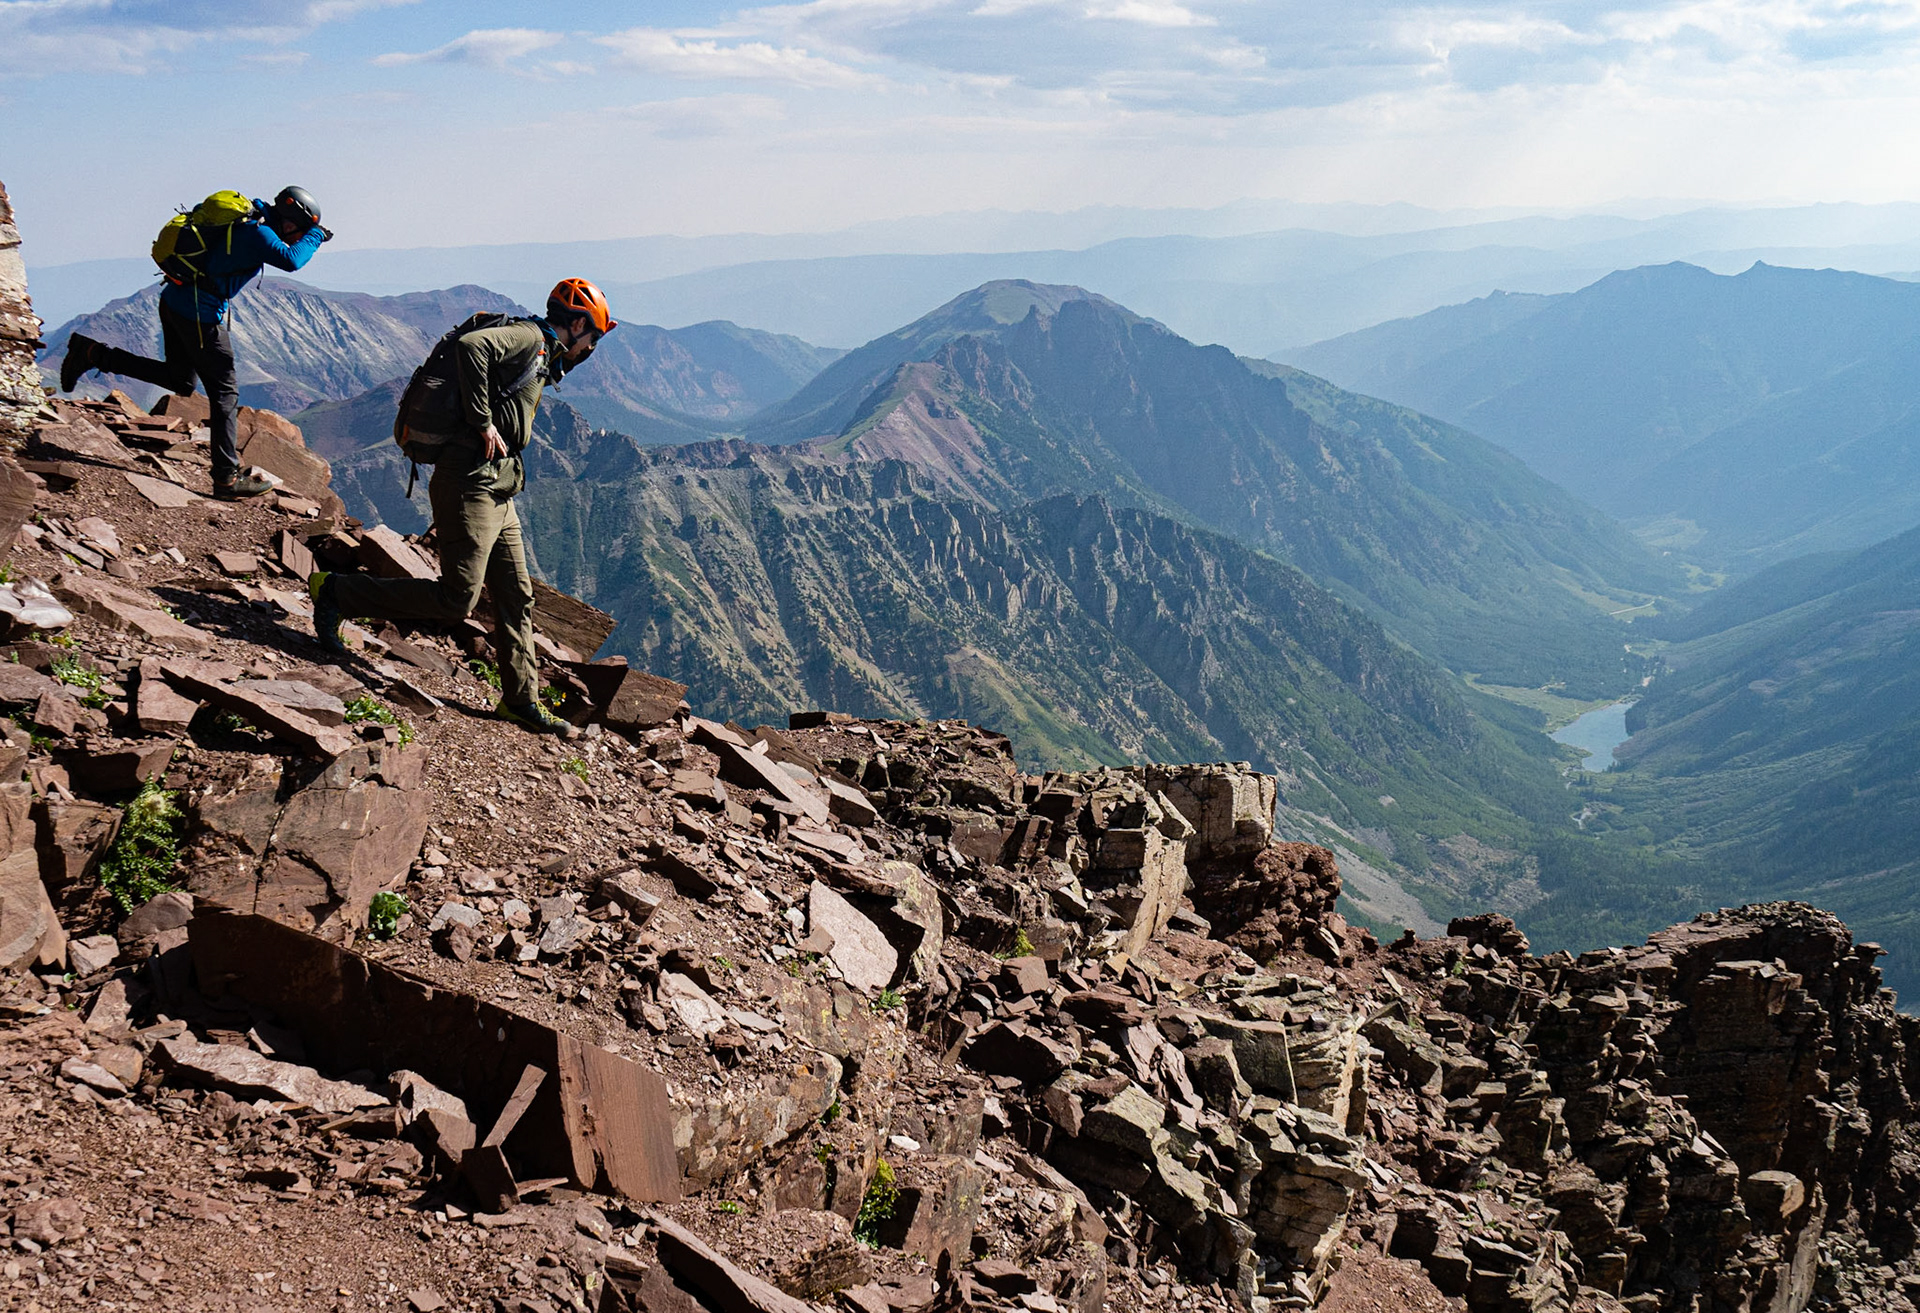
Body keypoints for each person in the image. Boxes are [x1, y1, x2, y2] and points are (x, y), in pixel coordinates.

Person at [307, 278, 617, 737]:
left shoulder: (541, 353)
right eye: (593, 336)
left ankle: (520, 701)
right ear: (575, 324)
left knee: (516, 596)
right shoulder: (530, 337)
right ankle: (336, 592)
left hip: (499, 485)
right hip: (469, 482)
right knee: (457, 599)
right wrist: (482, 421)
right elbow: (472, 346)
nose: (591, 348)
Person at [60, 186, 331, 500]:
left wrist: (310, 233)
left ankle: (93, 354)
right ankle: (226, 479)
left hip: (175, 299)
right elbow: (292, 261)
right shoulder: (259, 232)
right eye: (300, 230)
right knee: (225, 393)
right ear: (289, 221)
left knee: (180, 380)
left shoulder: (248, 221)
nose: (298, 237)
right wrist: (316, 236)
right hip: (199, 316)